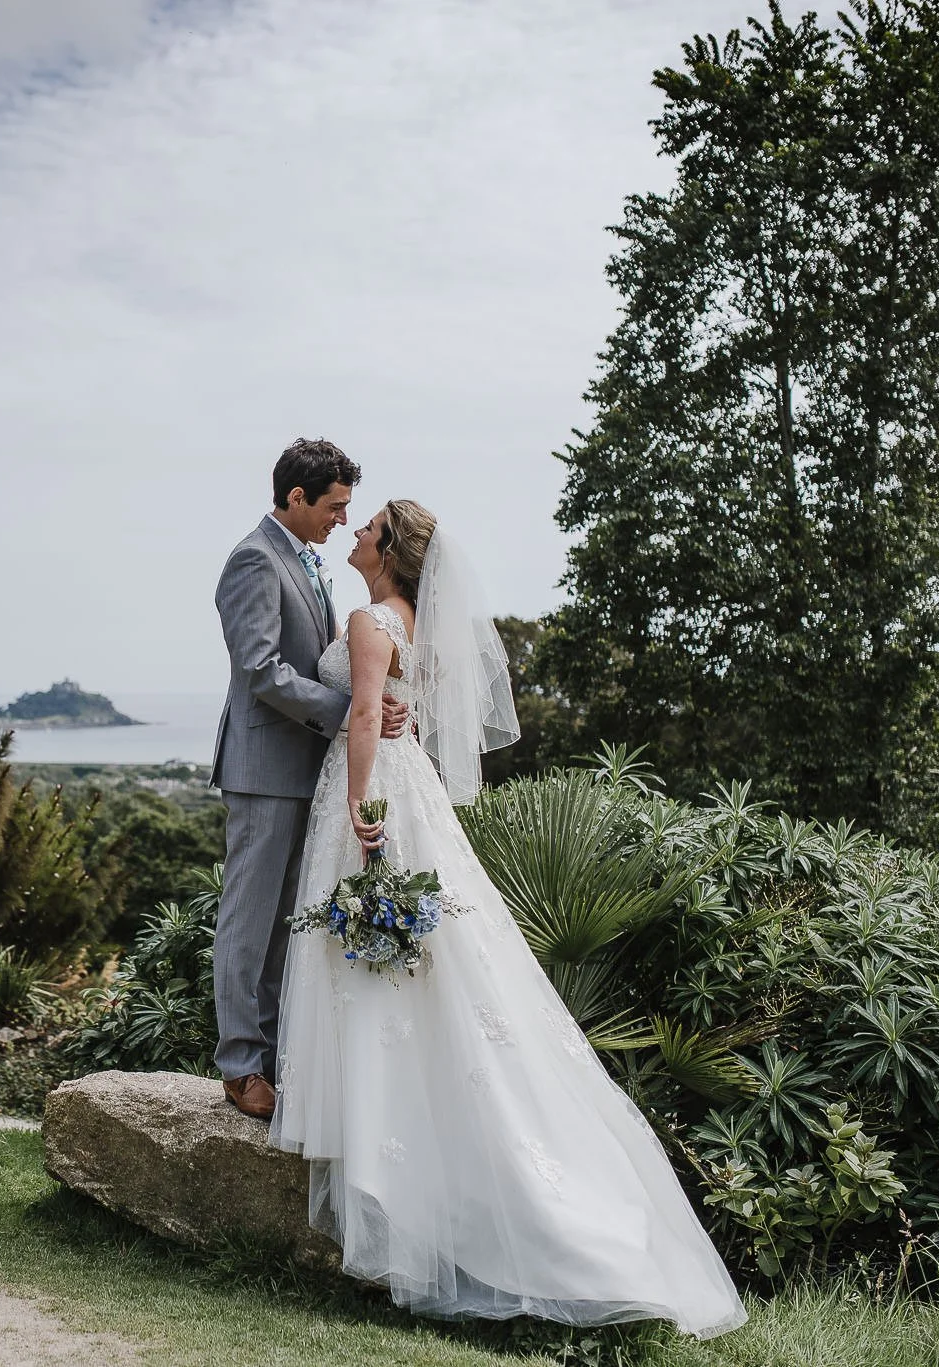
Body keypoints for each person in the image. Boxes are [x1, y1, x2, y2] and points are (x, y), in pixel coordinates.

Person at [268, 499, 747, 1339]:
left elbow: (362, 722)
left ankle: (391, 1162)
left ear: (389, 548)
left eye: (367, 523)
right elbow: (396, 708)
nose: (356, 530)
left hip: (379, 800)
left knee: (378, 969)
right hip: (414, 795)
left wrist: (359, 813)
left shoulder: (368, 617)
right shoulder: (412, 617)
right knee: (421, 967)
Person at [210, 439, 408, 1120]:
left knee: (280, 929)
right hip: (264, 769)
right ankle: (239, 1065)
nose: (339, 520)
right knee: (247, 921)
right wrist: (350, 709)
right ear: (297, 498)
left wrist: (374, 701)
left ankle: (265, 1057)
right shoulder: (252, 560)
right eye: (333, 506)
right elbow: (262, 670)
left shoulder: (306, 561)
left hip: (307, 771)